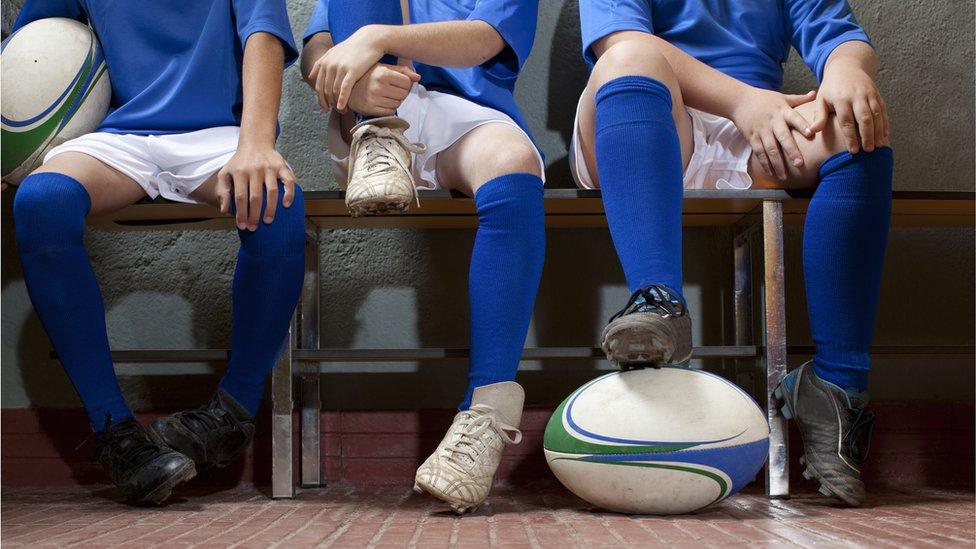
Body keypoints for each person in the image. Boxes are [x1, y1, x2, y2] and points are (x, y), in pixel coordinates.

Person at [571, 0, 892, 507]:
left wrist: (847, 69)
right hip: (646, 116)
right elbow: (617, 42)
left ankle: (836, 387)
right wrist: (743, 102)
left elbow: (837, 33)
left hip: (758, 129)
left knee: (857, 132)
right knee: (628, 57)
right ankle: (658, 303)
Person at [10, 0, 304, 505]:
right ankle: (115, 434)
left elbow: (264, 36)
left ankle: (233, 410)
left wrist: (256, 141)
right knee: (41, 203)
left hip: (217, 136)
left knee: (275, 201)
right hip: (118, 136)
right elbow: (27, 49)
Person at [302, 0, 545, 513]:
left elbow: (485, 38)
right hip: (369, 114)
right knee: (373, 107)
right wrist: (351, 76)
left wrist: (374, 36)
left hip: (470, 116)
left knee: (514, 163)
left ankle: (486, 410)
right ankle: (378, 131)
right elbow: (316, 49)